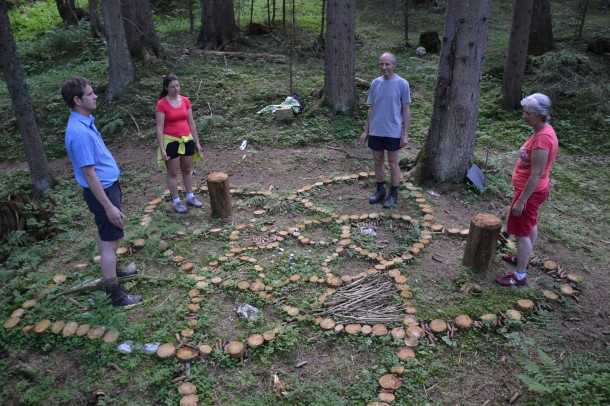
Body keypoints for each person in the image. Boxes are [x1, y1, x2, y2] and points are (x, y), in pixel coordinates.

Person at [61, 76, 143, 306]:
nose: (95, 96)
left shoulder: (86, 122)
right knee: (110, 243)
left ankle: (115, 270)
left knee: (105, 235)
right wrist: (108, 206)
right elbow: (89, 174)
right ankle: (115, 293)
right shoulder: (80, 133)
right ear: (77, 100)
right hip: (103, 192)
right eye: (89, 94)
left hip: (107, 187)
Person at [496, 93, 558, 286]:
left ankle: (519, 275)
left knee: (522, 233)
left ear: (541, 115)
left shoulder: (543, 139)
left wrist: (522, 200)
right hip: (531, 190)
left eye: (528, 113)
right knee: (530, 225)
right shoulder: (542, 132)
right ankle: (522, 258)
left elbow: (537, 173)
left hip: (530, 192)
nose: (524, 116)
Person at [360, 52, 411, 208]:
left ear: (394, 65)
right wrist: (366, 130)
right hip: (376, 130)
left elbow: (406, 109)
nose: (384, 67)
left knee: (393, 162)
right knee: (378, 161)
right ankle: (380, 190)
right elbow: (372, 108)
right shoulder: (375, 83)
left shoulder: (402, 83)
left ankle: (393, 193)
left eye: (387, 64)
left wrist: (405, 134)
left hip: (393, 131)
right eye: (381, 64)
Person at [155, 74, 203, 214]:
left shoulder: (185, 101)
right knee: (173, 172)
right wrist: (162, 148)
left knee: (187, 170)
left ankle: (190, 196)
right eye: (172, 87)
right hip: (171, 141)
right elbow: (159, 127)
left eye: (177, 85)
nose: (176, 89)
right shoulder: (162, 104)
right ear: (166, 88)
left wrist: (197, 142)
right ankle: (176, 201)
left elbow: (191, 123)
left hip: (187, 139)